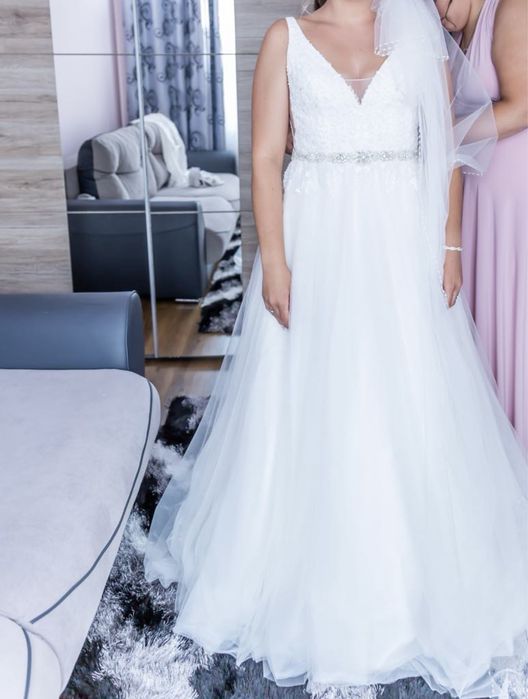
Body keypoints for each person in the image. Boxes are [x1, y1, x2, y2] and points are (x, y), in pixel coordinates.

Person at [144, 1, 528, 696]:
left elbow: (441, 145)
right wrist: (276, 261)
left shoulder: (421, 38)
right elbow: (266, 158)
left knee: (407, 399)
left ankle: (419, 579)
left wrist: (449, 244)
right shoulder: (286, 39)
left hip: (401, 241)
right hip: (317, 241)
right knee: (317, 402)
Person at [435, 0, 528, 451]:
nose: (433, 12)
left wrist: (440, 134)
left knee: (516, 318)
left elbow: (522, 106)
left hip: (514, 200)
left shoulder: (511, 8)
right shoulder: (454, 34)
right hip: (476, 199)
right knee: (485, 325)